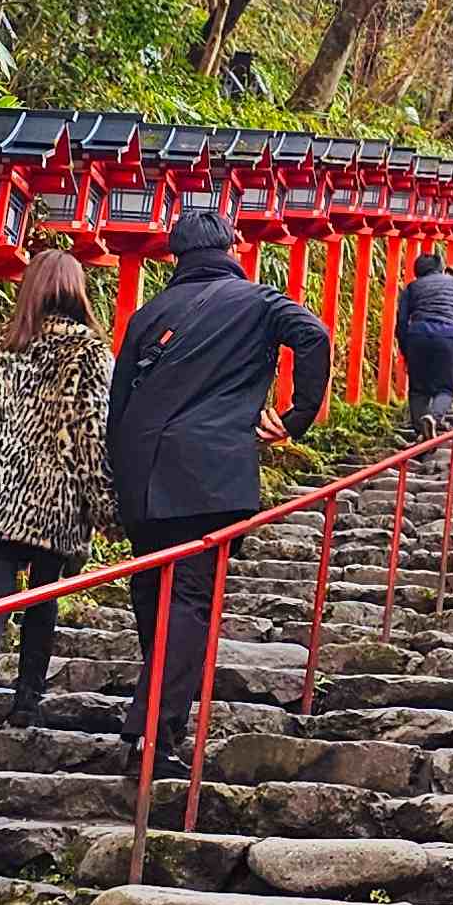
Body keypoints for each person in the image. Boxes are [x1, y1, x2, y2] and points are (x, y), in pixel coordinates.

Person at [106, 198, 332, 770]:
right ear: (234, 249)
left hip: (141, 471)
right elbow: (314, 336)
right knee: (189, 601)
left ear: (176, 255)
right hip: (208, 476)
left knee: (153, 599)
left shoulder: (148, 313)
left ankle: (153, 725)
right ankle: (153, 735)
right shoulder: (258, 302)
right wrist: (296, 415)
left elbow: (118, 406)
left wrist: (118, 481)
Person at [0, 249, 113, 767]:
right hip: (53, 503)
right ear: (76, 291)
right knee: (43, 597)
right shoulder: (89, 353)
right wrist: (106, 508)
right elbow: (90, 437)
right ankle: (26, 704)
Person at [394, 246, 453, 436]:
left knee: (418, 389)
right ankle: (434, 417)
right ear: (441, 268)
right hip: (448, 335)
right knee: (446, 387)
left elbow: (401, 321)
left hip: (418, 336)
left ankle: (420, 432)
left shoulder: (412, 287)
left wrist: (406, 348)